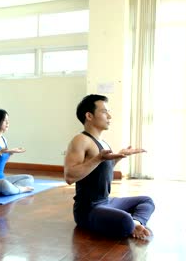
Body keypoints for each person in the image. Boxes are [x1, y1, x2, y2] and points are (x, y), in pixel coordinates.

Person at [64, 94, 155, 240]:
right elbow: (69, 176)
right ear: (89, 115)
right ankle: (130, 223)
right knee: (125, 220)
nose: (109, 116)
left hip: (106, 202)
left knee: (146, 201)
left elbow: (101, 170)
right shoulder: (80, 140)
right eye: (104, 111)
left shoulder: (103, 142)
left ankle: (136, 222)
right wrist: (98, 158)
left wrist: (118, 156)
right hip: (88, 209)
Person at [0, 109, 33, 195]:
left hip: (2, 179)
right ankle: (19, 190)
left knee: (29, 178)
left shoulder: (4, 139)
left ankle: (11, 189)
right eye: (5, 120)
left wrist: (11, 153)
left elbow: (1, 162)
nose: (7, 123)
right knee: (4, 185)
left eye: (8, 121)